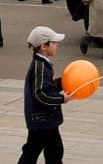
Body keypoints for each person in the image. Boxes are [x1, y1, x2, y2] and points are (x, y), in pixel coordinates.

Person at [18, 26, 71, 164]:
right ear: (43, 46)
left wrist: (62, 82)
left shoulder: (42, 64)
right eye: (54, 43)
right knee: (41, 150)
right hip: (42, 120)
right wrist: (61, 98)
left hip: (43, 119)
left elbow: (47, 86)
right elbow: (40, 94)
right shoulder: (40, 67)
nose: (56, 45)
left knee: (49, 150)